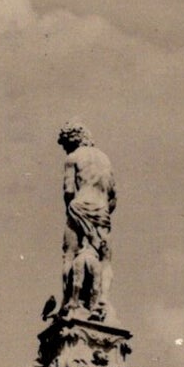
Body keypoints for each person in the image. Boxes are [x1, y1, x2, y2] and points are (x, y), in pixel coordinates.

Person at [58, 122, 117, 319]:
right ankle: (103, 301)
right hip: (102, 212)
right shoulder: (105, 159)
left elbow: (68, 191)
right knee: (104, 259)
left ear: (71, 141)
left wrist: (73, 209)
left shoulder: (72, 158)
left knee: (69, 255)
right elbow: (113, 196)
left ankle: (68, 303)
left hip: (78, 207)